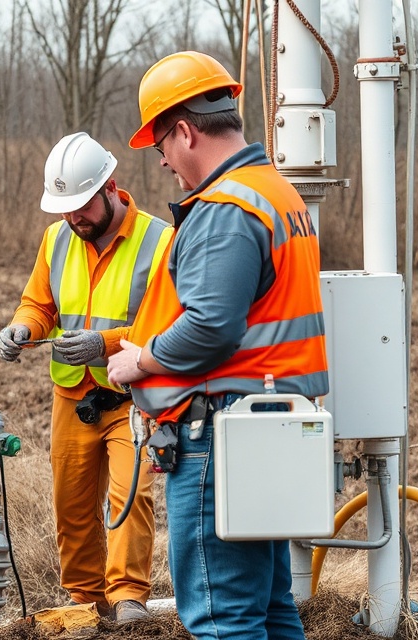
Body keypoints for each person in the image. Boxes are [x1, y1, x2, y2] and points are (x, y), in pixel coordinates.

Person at [107, 51, 329, 639]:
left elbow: (210, 326)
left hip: (220, 436)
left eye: (160, 149)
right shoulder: (274, 191)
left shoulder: (225, 209)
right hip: (267, 424)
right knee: (269, 610)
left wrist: (140, 361)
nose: (163, 165)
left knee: (222, 617)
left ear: (183, 131)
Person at [0, 132, 172, 624]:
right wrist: (22, 328)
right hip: (73, 397)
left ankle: (129, 597)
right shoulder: (57, 238)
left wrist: (106, 343)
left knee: (131, 496)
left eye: (81, 207)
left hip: (132, 394)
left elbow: (169, 324)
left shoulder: (160, 241)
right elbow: (40, 303)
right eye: (65, 209)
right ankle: (85, 601)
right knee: (71, 502)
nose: (74, 219)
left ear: (111, 187)